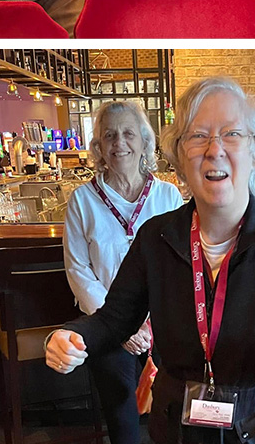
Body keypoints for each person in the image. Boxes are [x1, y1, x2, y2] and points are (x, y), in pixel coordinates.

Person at [45, 77, 255, 444]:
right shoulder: (156, 238)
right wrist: (72, 335)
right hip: (179, 428)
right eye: (198, 135)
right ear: (179, 156)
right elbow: (112, 321)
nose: (215, 149)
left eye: (232, 134)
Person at [63, 102, 183, 444]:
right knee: (121, 414)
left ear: (145, 141)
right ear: (98, 146)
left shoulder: (168, 196)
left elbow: (179, 265)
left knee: (175, 408)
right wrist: (120, 323)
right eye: (109, 135)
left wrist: (148, 321)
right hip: (109, 323)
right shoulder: (82, 201)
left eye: (128, 133)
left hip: (162, 322)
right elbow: (78, 270)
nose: (120, 143)